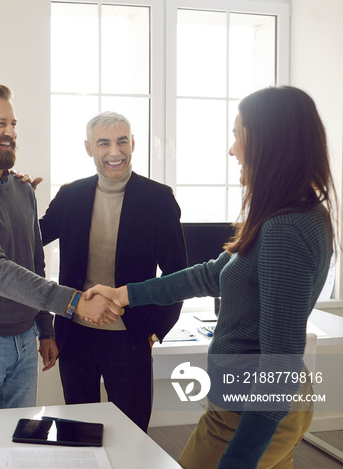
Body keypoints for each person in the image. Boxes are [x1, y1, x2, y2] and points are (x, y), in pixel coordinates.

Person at [86, 86, 337, 469]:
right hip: (248, 406)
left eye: (238, 133)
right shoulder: (283, 215)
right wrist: (125, 295)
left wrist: (238, 458)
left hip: (249, 413)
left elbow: (279, 365)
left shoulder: (285, 228)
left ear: (269, 141)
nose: (232, 148)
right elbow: (210, 275)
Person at [0, 84, 123, 412]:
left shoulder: (21, 189)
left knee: (17, 443)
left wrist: (44, 328)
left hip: (24, 339)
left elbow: (34, 262)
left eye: (14, 124)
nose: (10, 133)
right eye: (0, 124)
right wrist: (74, 302)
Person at [38, 111, 187, 432]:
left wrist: (157, 327)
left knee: (132, 433)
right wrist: (16, 195)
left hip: (130, 336)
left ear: (132, 144)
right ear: (89, 148)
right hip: (74, 335)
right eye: (104, 143)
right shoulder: (70, 195)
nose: (115, 152)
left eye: (122, 142)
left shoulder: (158, 199)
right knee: (78, 429)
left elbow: (177, 271)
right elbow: (31, 240)